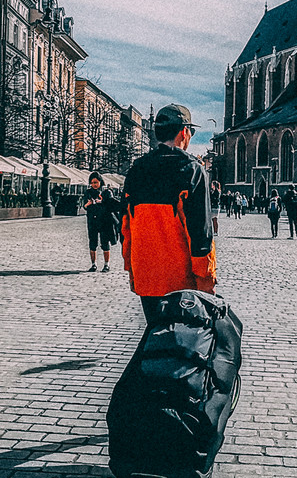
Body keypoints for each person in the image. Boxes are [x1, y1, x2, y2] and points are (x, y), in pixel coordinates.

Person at [120, 104, 216, 323]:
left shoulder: (137, 169)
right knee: (181, 346)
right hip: (182, 282)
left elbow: (126, 226)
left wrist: (132, 269)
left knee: (156, 338)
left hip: (146, 275)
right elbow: (200, 232)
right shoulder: (191, 169)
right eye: (191, 131)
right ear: (184, 132)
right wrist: (206, 280)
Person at [83, 172, 115, 272]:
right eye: (92, 183)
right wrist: (87, 204)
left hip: (104, 220)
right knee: (92, 242)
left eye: (96, 182)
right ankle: (93, 264)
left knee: (105, 242)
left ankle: (106, 265)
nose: (94, 185)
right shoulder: (88, 192)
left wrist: (102, 202)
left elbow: (111, 205)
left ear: (100, 181)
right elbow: (84, 206)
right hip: (92, 220)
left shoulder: (106, 192)